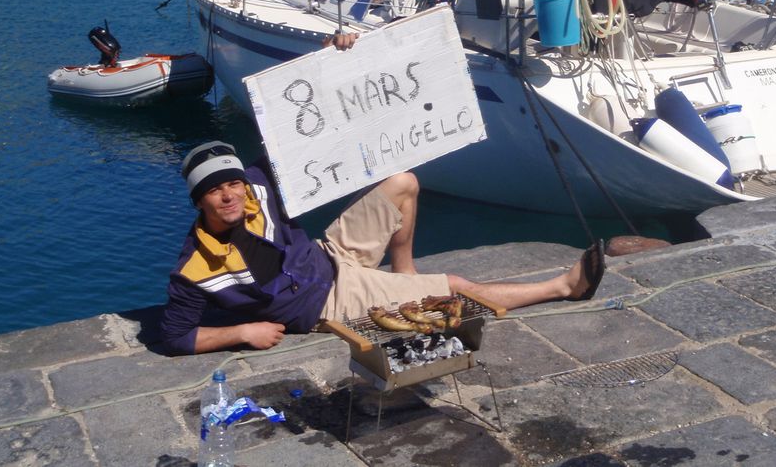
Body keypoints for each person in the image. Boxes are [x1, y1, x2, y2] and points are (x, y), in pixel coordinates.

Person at [160, 141, 605, 355]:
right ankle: (565, 288)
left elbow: (288, 120)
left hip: (328, 254)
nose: (229, 195)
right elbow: (176, 336)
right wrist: (242, 333)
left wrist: (331, 52)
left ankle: (403, 271)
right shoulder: (195, 268)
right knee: (454, 286)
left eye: (233, 183)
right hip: (325, 302)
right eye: (215, 190)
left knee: (402, 183)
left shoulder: (256, 186)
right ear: (198, 200)